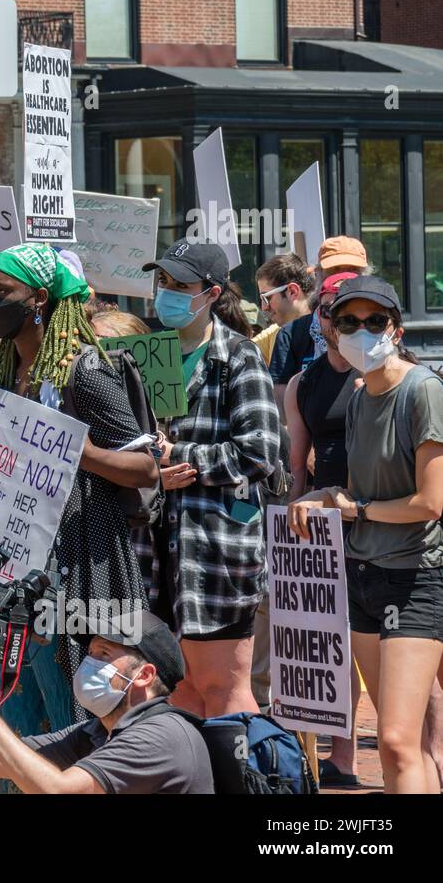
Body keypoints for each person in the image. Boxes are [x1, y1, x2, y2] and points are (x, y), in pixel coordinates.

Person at [0, 244, 158, 732]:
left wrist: (75, 450)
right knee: (15, 708)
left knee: (68, 703)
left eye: (1, 293)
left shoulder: (85, 369)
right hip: (16, 556)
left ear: (38, 298)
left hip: (79, 559)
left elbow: (145, 467)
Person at [289, 276, 443, 794]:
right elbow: (356, 490)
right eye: (347, 322)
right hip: (362, 574)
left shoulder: (422, 390)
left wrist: (357, 508)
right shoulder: (357, 399)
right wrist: (322, 496)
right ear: (330, 329)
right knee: (408, 746)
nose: (360, 332)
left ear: (396, 330)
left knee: (397, 741)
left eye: (374, 321)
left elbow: (430, 502)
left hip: (416, 576)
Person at [141, 241, 281, 717]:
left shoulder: (239, 357)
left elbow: (259, 452)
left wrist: (181, 457)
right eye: (164, 283)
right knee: (176, 691)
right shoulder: (142, 355)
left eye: (181, 286)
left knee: (223, 691)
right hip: (154, 550)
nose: (168, 294)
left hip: (215, 552)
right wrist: (151, 468)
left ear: (211, 293)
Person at [0, 611, 214, 794]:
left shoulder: (161, 735)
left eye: (104, 653)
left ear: (144, 675)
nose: (90, 662)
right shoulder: (97, 732)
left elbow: (59, 790)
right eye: (91, 652)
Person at [282, 271, 362, 786]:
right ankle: (343, 759)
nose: (339, 323)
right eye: (332, 312)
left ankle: (433, 751)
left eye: (356, 316)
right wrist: (291, 523)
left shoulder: (385, 375)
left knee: (395, 649)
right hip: (323, 521)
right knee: (337, 647)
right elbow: (296, 463)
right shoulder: (303, 383)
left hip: (380, 517)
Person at [256, 253, 317, 399]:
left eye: (266, 298)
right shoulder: (274, 334)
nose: (263, 307)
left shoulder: (330, 328)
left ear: (292, 291)